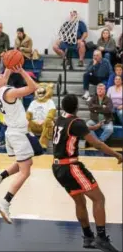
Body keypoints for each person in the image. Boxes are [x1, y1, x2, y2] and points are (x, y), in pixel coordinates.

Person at [52, 94, 122, 252]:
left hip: (57, 168)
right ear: (77, 107)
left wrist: (91, 128)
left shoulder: (59, 119)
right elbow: (97, 144)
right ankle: (102, 239)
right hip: (70, 166)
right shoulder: (76, 122)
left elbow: (76, 129)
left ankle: (88, 237)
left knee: (80, 202)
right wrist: (117, 155)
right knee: (99, 199)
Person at [0, 67, 40, 224]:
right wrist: (22, 71)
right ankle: (5, 202)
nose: (2, 75)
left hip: (12, 132)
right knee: (25, 171)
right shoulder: (8, 92)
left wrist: (10, 65)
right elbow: (33, 88)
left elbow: (4, 79)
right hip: (18, 134)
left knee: (25, 162)